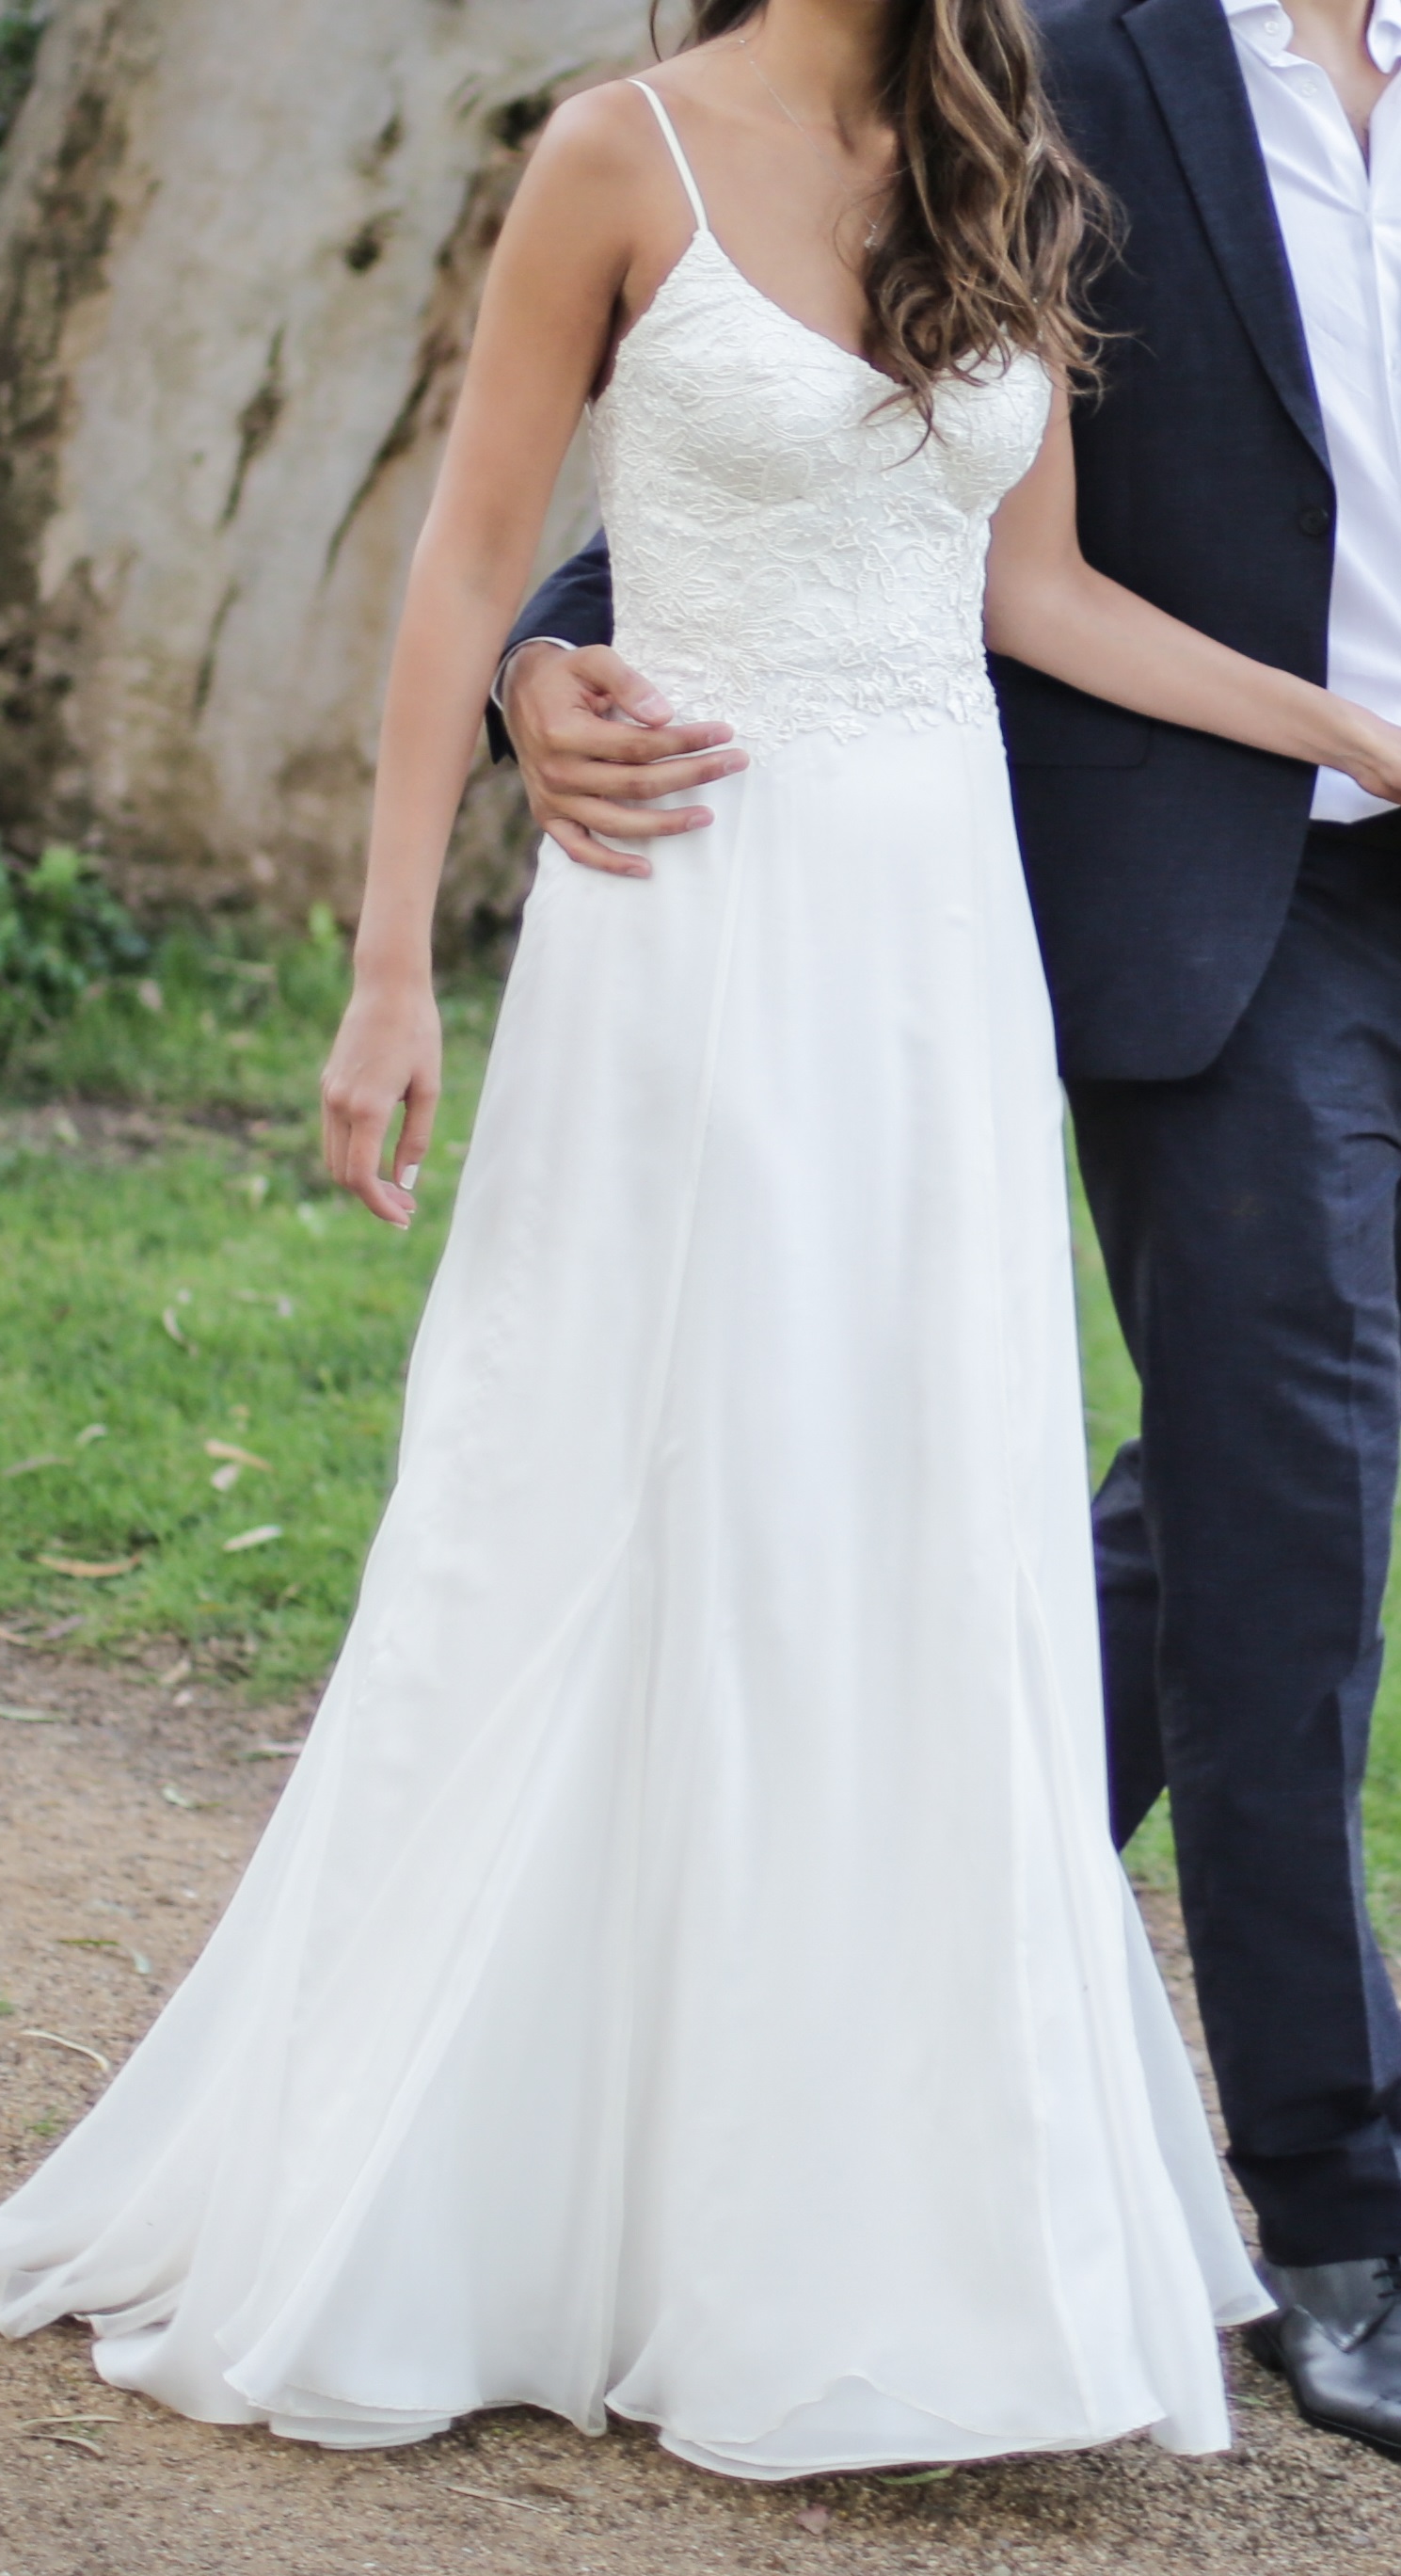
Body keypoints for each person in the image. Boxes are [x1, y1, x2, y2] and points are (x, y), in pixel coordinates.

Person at [0, 0, 1401, 2474]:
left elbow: (1018, 579)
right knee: (665, 1492)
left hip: (940, 947)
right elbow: (504, 547)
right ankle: (553, 2170)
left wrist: (1352, 724)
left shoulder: (995, 147)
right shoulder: (672, 142)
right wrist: (413, 920)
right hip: (747, 915)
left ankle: (860, 2118)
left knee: (932, 1527)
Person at [496, 0, 1401, 2468]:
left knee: (1227, 1493)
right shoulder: (1059, 60)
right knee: (1294, 1523)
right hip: (1236, 901)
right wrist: (542, 656)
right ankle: (1340, 2205)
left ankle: (862, 1946)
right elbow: (773, 404)